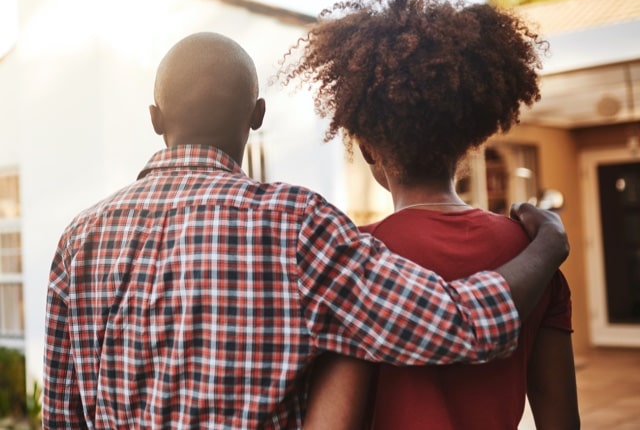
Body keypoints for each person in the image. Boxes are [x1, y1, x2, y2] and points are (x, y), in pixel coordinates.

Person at [43, 31, 569, 429]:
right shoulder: (297, 227)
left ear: (156, 119)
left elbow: (61, 419)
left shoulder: (77, 241)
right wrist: (548, 243)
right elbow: (461, 325)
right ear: (257, 115)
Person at [291, 0, 580, 429]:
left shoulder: (354, 261)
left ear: (368, 149)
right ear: (469, 142)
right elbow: (561, 422)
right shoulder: (534, 257)